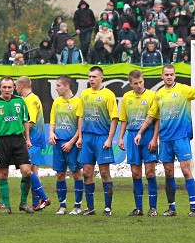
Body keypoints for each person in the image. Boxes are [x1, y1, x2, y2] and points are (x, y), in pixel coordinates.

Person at [137, 64, 195, 216]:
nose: (169, 77)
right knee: (168, 172)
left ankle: (193, 208)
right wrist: (140, 132)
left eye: (171, 74)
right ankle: (171, 208)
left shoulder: (182, 89)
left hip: (181, 137)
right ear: (162, 76)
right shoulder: (158, 94)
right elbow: (151, 116)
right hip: (165, 138)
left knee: (186, 170)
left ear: (174, 76)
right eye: (166, 74)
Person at [0, 76, 37, 215]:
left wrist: (28, 139)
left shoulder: (20, 101)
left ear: (14, 88)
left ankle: (23, 203)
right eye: (4, 87)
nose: (7, 90)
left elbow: (25, 121)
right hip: (1, 141)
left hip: (18, 140)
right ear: (0, 88)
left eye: (9, 87)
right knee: (3, 173)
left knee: (27, 171)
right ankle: (6, 206)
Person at [78, 65, 119, 215]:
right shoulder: (84, 94)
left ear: (101, 78)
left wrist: (109, 139)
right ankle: (90, 207)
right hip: (87, 138)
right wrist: (80, 137)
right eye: (89, 77)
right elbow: (81, 116)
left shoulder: (108, 95)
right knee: (87, 173)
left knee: (104, 172)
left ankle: (108, 207)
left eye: (94, 77)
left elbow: (114, 119)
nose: (91, 79)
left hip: (102, 138)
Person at [118, 70, 159, 216]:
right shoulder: (127, 97)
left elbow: (156, 119)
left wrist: (155, 138)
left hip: (147, 135)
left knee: (149, 172)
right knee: (135, 173)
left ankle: (153, 207)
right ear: (130, 84)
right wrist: (121, 137)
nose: (139, 85)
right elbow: (124, 119)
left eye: (141, 82)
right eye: (135, 83)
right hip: (132, 135)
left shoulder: (152, 96)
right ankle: (138, 208)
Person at [48, 75, 84, 215]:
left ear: (67, 86)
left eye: (58, 85)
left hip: (72, 144)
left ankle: (77, 206)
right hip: (58, 143)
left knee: (76, 174)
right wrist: (51, 133)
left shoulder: (77, 102)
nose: (56, 88)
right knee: (60, 174)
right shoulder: (56, 102)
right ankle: (62, 205)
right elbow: (52, 121)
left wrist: (71, 142)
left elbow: (80, 126)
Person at [15, 76, 52, 210]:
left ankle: (43, 197)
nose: (15, 88)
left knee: (27, 170)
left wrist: (18, 132)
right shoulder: (32, 98)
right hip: (36, 139)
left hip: (33, 140)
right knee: (33, 170)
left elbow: (30, 122)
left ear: (21, 86)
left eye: (16, 86)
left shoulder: (30, 100)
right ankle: (37, 203)